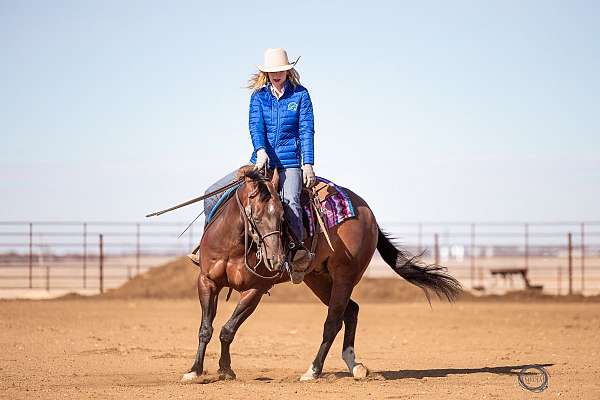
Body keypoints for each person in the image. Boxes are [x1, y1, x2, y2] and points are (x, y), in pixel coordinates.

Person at [202, 48, 316, 283]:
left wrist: (307, 164)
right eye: (272, 71)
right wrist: (261, 151)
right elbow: (256, 126)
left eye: (281, 71)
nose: (277, 75)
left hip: (289, 163)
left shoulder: (301, 96)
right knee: (211, 194)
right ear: (266, 73)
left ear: (288, 70)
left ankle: (296, 254)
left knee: (291, 201)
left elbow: (306, 130)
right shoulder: (259, 97)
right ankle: (206, 249)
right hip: (260, 161)